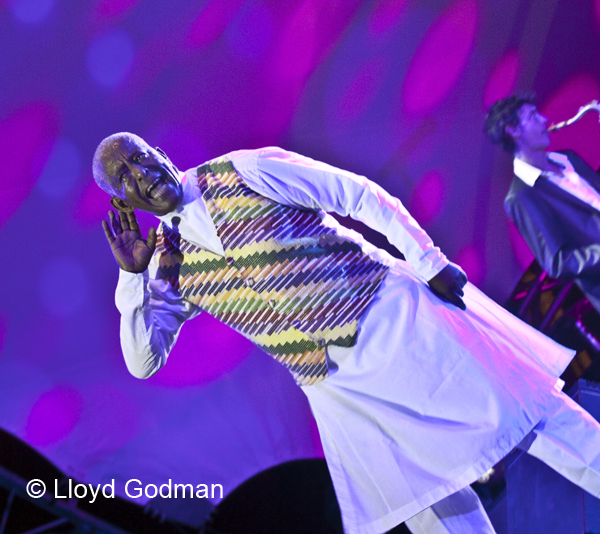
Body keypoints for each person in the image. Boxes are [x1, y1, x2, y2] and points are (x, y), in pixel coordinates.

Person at [94, 132, 600, 534]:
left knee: (529, 415)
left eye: (141, 158)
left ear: (159, 152)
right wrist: (132, 277)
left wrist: (429, 261)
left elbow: (358, 195)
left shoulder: (243, 169)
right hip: (338, 386)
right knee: (429, 503)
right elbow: (144, 362)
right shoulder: (164, 264)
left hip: (390, 317)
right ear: (122, 200)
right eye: (125, 176)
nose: (141, 173)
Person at [484, 94, 600, 315]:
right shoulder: (521, 197)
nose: (544, 119)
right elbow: (558, 262)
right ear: (513, 130)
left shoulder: (568, 159)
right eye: (533, 115)